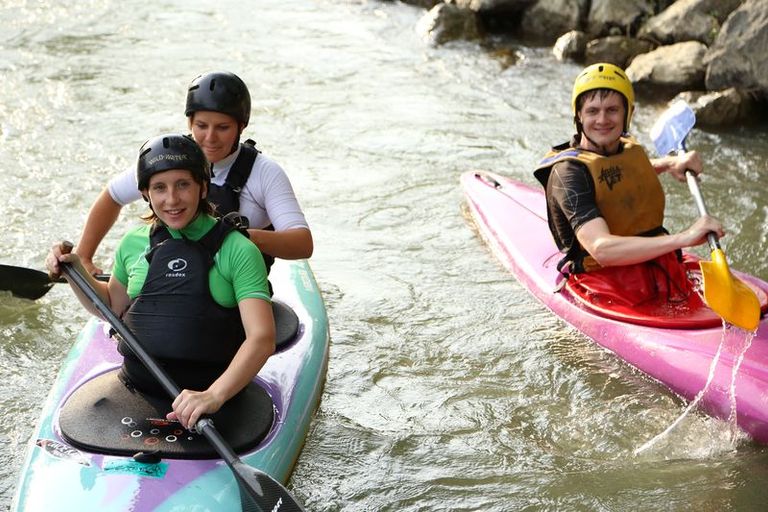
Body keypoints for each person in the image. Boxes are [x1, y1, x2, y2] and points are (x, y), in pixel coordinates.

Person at [47, 134, 275, 430]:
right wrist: (74, 267)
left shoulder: (238, 250)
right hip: (136, 389)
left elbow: (262, 339)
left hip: (215, 396)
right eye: (159, 188)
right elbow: (112, 307)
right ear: (145, 193)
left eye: (183, 184)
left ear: (203, 187)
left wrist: (213, 396)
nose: (172, 199)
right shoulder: (133, 243)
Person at [75, 71, 312, 279]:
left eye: (222, 127)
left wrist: (235, 237)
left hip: (234, 296)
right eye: (201, 126)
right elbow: (112, 196)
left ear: (241, 126)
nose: (210, 138)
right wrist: (83, 257)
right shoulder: (166, 158)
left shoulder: (265, 173)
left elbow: (302, 243)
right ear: (189, 122)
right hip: (168, 284)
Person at [533, 62, 725, 307]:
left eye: (612, 110)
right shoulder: (568, 174)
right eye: (592, 111)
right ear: (579, 116)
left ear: (627, 113)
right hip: (605, 284)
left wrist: (670, 163)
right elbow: (601, 249)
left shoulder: (624, 147)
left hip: (660, 267)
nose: (602, 120)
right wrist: (685, 237)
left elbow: (618, 173)